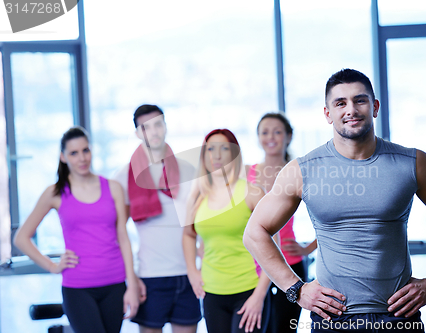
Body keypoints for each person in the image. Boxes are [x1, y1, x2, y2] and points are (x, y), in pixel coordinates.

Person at [243, 68, 426, 332]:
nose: (351, 110)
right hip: (333, 319)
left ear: (375, 106)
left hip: (398, 317)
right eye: (340, 103)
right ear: (327, 114)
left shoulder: (412, 163)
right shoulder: (302, 170)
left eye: (360, 100)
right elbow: (254, 232)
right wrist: (296, 290)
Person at [14, 126, 139, 333]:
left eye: (85, 150)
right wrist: (52, 266)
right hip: (78, 288)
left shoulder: (113, 188)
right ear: (63, 157)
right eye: (74, 153)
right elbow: (21, 238)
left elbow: (123, 239)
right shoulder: (55, 192)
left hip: (115, 284)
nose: (81, 158)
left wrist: (132, 284)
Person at [113, 104, 201, 333]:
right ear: (137, 133)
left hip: (188, 273)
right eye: (146, 127)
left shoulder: (188, 170)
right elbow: (118, 233)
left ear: (165, 126)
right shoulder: (124, 177)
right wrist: (131, 279)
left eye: (158, 124)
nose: (153, 131)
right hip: (150, 277)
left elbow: (199, 225)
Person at [183, 129, 271, 333]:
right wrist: (192, 271)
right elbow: (188, 235)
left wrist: (259, 296)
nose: (217, 154)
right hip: (212, 294)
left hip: (248, 291)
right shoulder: (197, 196)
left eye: (224, 148)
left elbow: (274, 248)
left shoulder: (253, 192)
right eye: (210, 149)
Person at [247, 112, 317, 333]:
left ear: (288, 136)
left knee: (285, 329)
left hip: (291, 264)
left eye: (277, 132)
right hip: (255, 266)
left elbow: (329, 215)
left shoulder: (298, 172)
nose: (271, 137)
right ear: (258, 137)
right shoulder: (248, 174)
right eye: (265, 132)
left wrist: (308, 248)